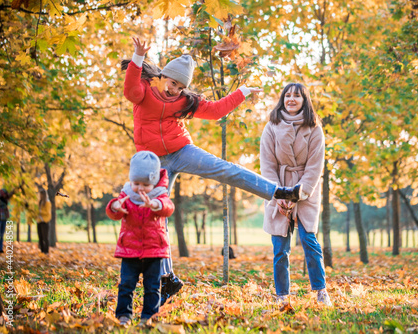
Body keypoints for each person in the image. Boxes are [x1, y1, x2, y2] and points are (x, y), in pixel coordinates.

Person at [122, 37, 303, 304]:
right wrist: (138, 57)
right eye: (172, 83)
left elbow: (216, 111)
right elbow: (129, 90)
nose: (175, 90)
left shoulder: (183, 101)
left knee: (225, 169)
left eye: (181, 87)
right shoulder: (143, 92)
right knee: (154, 215)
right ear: (162, 77)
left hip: (182, 151)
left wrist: (241, 92)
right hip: (153, 162)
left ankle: (279, 192)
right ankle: (167, 279)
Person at [260, 83, 331, 306]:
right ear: (282, 99)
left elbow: (315, 165)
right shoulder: (271, 126)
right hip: (278, 186)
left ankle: (321, 291)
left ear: (304, 100)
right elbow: (268, 163)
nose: (292, 99)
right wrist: (278, 194)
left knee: (310, 241)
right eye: (287, 95)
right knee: (280, 247)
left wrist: (299, 193)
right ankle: (282, 295)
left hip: (305, 190)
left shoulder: (314, 128)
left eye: (297, 96)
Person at [106, 151, 175, 327]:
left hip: (154, 250)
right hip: (130, 249)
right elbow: (114, 213)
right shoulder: (127, 195)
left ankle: (148, 317)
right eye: (136, 183)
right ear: (131, 180)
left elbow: (168, 207)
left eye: (145, 184)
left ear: (153, 182)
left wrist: (154, 205)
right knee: (126, 284)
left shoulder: (159, 195)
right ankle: (124, 316)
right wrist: (115, 206)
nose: (140, 188)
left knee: (152, 287)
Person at [0, 188, 15, 253]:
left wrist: (15, 189)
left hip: (4, 219)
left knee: (1, 234)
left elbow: (11, 194)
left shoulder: (5, 200)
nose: (5, 195)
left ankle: (0, 248)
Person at [36, 189, 52, 254]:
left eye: (41, 195)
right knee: (40, 237)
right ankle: (42, 251)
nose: (40, 196)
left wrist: (40, 212)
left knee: (45, 237)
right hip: (39, 221)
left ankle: (46, 251)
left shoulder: (47, 202)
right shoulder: (40, 202)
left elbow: (48, 212)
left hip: (45, 221)